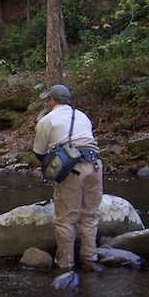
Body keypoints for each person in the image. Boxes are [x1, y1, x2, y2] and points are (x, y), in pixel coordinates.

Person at [33, 84, 103, 271]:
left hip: (73, 170)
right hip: (95, 165)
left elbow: (39, 154)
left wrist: (53, 159)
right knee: (88, 216)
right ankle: (90, 259)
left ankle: (65, 265)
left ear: (52, 101)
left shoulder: (47, 121)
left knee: (65, 220)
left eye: (48, 100)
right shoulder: (82, 116)